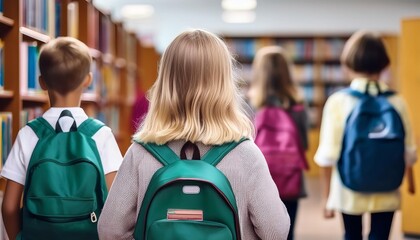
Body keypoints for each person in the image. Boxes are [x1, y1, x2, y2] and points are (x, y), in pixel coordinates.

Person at [97, 29, 290, 240]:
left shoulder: (140, 153)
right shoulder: (246, 154)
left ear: (166, 82)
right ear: (224, 84)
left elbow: (109, 231)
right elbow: (276, 232)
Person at [1, 37, 124, 239]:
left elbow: (9, 207)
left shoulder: (29, 134)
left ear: (41, 82)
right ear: (88, 80)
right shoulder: (101, 134)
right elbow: (116, 205)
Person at [314, 30, 416, 240]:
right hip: (388, 187)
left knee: (352, 234)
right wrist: (411, 183)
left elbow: (327, 156)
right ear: (385, 64)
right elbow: (410, 151)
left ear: (348, 64)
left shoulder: (338, 101)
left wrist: (326, 198)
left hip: (348, 189)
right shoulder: (397, 101)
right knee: (380, 235)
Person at [248, 46, 309, 240]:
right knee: (286, 232)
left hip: (258, 179)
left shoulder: (248, 105)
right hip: (290, 179)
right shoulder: (298, 106)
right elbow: (304, 144)